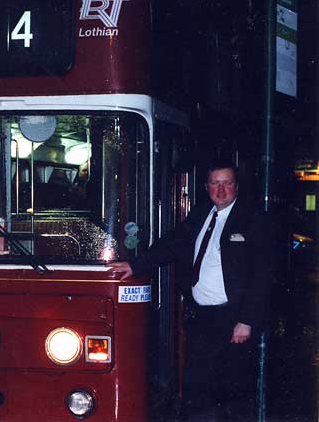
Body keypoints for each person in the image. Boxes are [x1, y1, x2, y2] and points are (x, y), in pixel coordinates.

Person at [110, 161, 273, 421]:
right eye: (215, 184)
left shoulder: (253, 219)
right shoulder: (201, 214)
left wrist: (247, 321)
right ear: (206, 186)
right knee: (198, 392)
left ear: (236, 187)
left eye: (227, 183)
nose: (221, 190)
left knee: (233, 395)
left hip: (233, 320)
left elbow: (262, 274)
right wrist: (135, 264)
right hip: (201, 319)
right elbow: (172, 244)